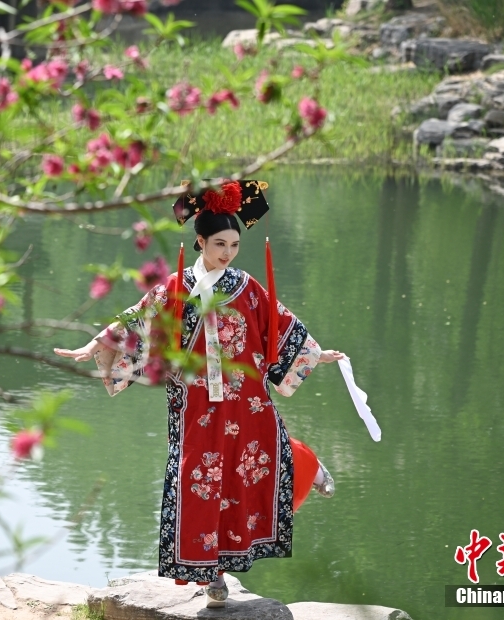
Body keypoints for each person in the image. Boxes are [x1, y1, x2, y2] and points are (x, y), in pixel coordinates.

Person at [55, 180, 344, 607]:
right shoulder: (175, 288)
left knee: (258, 464)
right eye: (219, 244)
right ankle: (212, 574)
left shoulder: (246, 286)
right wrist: (95, 343)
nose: (228, 253)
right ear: (200, 242)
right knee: (200, 483)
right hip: (195, 406)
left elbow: (278, 323)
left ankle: (308, 468)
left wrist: (315, 353)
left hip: (245, 400)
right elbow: (137, 320)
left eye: (234, 245)